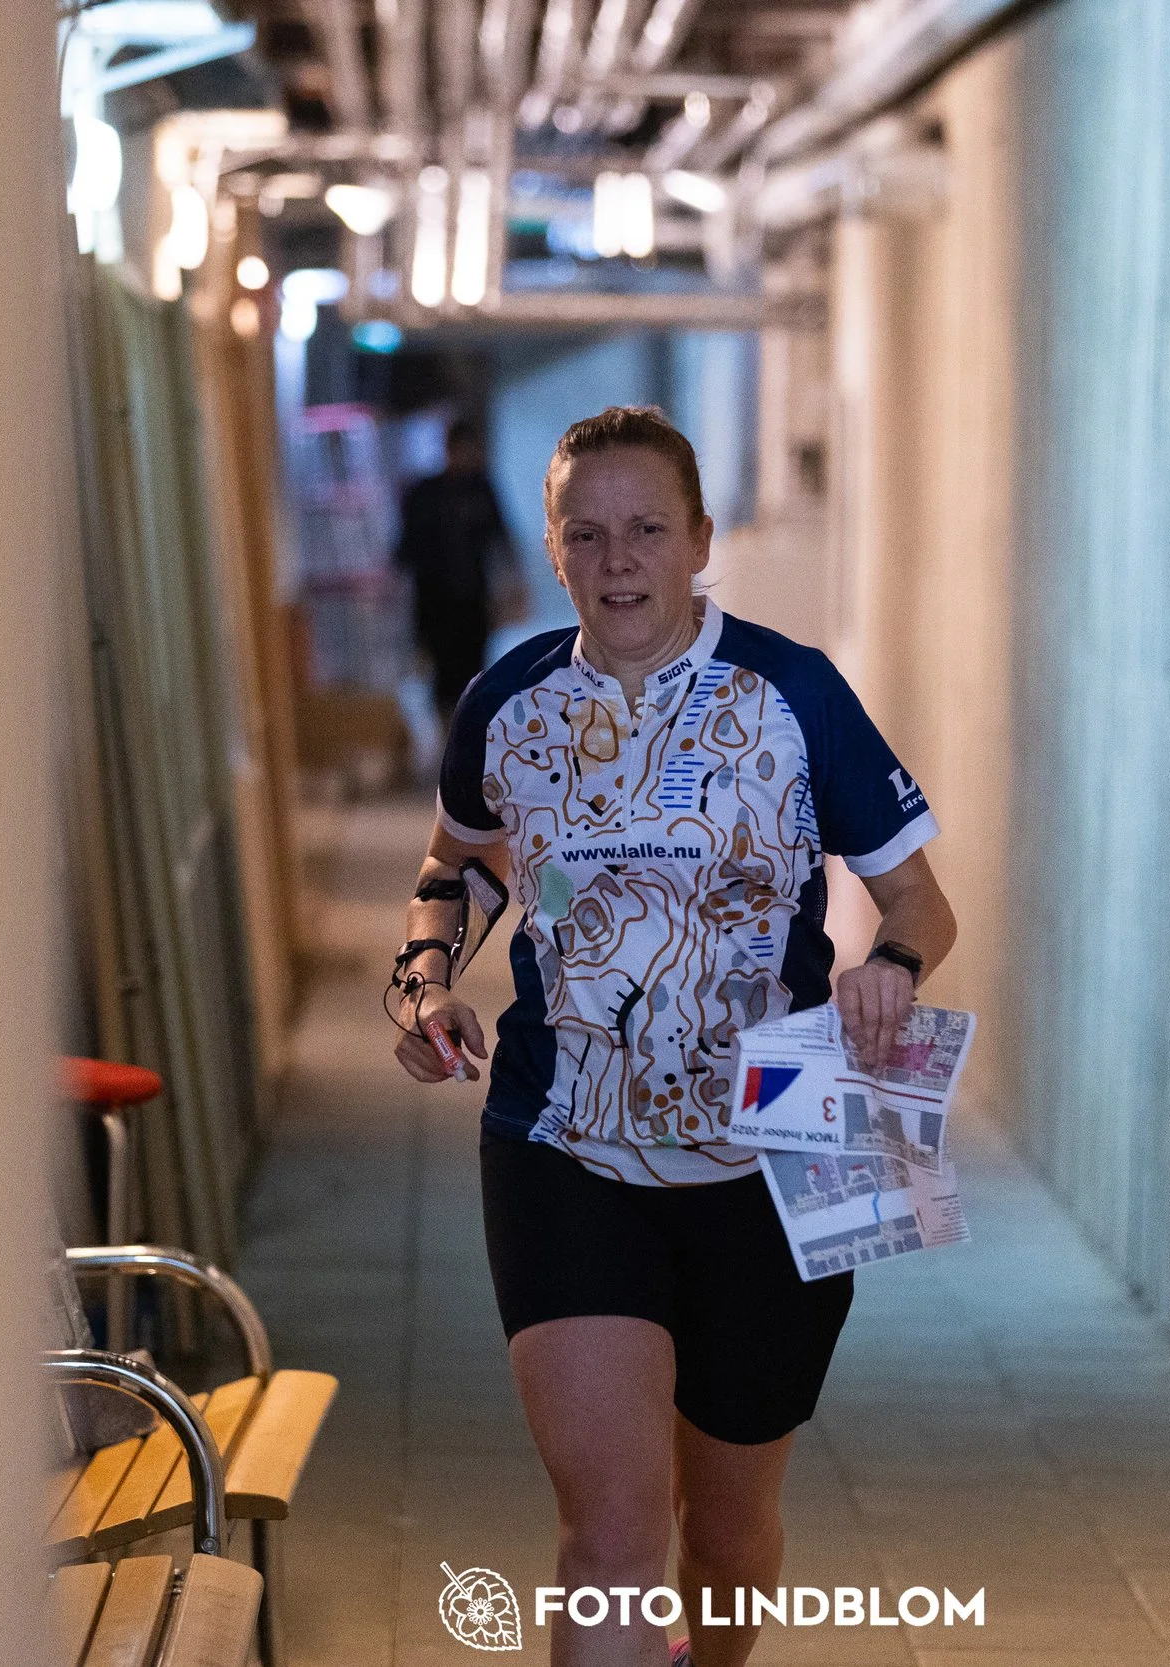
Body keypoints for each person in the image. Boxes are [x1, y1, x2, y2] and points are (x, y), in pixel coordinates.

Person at [387, 406, 958, 1667]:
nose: (618, 557)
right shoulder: (509, 701)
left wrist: (888, 972)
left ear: (699, 539)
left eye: (647, 528)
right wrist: (426, 972)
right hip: (563, 1139)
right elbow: (461, 863)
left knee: (729, 1531)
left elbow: (919, 904)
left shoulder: (793, 691)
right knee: (610, 1535)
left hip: (783, 1141)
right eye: (586, 533)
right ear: (551, 547)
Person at [392, 417, 523, 725]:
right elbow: (406, 550)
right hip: (434, 598)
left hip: (472, 597)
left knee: (473, 666)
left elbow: (500, 538)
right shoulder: (425, 493)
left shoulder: (481, 489)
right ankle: (447, 729)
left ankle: (467, 726)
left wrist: (512, 586)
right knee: (440, 669)